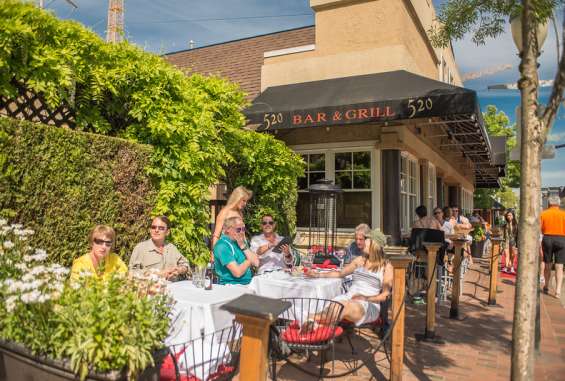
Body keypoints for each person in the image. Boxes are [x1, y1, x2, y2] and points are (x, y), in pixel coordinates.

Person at [304, 238, 393, 326]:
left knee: (342, 306)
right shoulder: (360, 260)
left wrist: (365, 298)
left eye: (367, 240)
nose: (363, 241)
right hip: (348, 297)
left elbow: (385, 295)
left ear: (375, 246)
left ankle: (312, 320)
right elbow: (340, 274)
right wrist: (317, 275)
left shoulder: (386, 266)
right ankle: (315, 325)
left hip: (368, 305)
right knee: (336, 304)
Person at [129, 216, 190, 281]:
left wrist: (180, 270)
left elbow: (185, 264)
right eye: (153, 227)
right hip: (150, 288)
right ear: (150, 230)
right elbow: (132, 273)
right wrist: (157, 274)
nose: (156, 230)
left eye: (161, 228)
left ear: (167, 232)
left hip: (173, 288)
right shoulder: (140, 248)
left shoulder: (171, 248)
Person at [213, 216, 259, 285]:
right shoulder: (222, 246)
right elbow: (237, 273)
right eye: (238, 229)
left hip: (248, 284)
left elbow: (256, 263)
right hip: (231, 285)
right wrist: (249, 260)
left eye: (243, 229)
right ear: (228, 229)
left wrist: (243, 246)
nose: (242, 232)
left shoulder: (241, 241)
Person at [540, 195, 565, 298]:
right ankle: (558, 291)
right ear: (558, 204)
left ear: (549, 203)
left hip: (548, 238)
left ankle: (546, 286)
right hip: (562, 239)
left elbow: (540, 230)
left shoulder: (543, 214)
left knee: (548, 264)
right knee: (559, 266)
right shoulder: (564, 214)